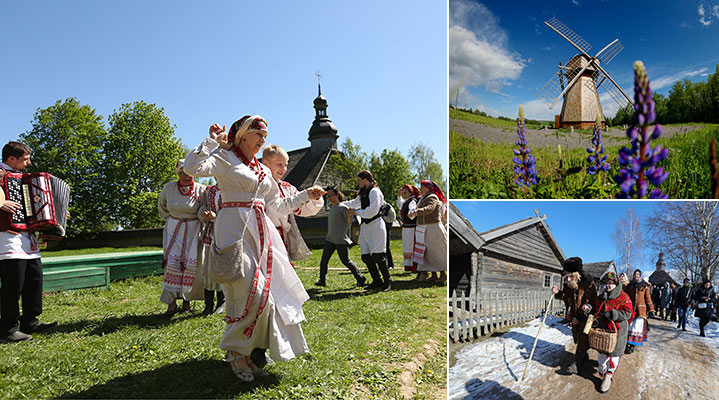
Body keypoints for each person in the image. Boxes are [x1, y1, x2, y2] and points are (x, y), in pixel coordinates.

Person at [184, 115, 324, 381]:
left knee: (266, 295)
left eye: (265, 136)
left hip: (262, 233)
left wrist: (306, 195)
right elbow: (192, 167)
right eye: (259, 134)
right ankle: (236, 352)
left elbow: (276, 208)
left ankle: (246, 352)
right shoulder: (225, 158)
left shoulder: (261, 171)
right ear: (243, 135)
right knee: (250, 290)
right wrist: (212, 141)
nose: (263, 140)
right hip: (233, 229)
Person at [0, 142, 57, 342]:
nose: (29, 163)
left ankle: (30, 321)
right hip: (6, 237)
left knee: (34, 278)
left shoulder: (26, 179)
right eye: (25, 159)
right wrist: (1, 202)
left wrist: (55, 213)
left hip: (27, 237)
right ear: (11, 159)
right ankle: (8, 329)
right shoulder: (0, 173)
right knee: (13, 284)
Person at [158, 159, 206, 316]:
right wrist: (174, 219)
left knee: (190, 263)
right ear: (178, 173)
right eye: (183, 173)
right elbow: (162, 207)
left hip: (193, 230)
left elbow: (203, 208)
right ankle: (171, 303)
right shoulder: (169, 188)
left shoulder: (201, 190)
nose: (186, 176)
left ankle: (187, 301)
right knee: (172, 262)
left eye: (190, 173)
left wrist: (200, 216)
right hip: (174, 229)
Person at [261, 144, 323, 260]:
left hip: (281, 240)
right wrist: (304, 195)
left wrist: (313, 197)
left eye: (285, 165)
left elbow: (304, 209)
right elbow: (275, 210)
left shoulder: (286, 188)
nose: (283, 169)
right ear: (265, 163)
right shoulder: (259, 185)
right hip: (263, 238)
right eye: (279, 164)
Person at [582, 272, 633, 393]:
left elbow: (628, 313)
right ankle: (602, 370)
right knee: (602, 354)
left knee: (613, 355)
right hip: (603, 331)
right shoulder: (601, 297)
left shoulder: (623, 297)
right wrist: (588, 308)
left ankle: (608, 376)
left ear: (616, 284)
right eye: (606, 283)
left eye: (611, 284)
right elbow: (594, 308)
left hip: (618, 331)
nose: (608, 286)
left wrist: (612, 314)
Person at [341, 170, 391, 291]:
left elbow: (372, 211)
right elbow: (354, 203)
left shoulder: (375, 192)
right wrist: (340, 205)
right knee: (366, 256)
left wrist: (356, 212)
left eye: (359, 181)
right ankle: (377, 280)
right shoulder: (363, 193)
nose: (358, 183)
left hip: (375, 225)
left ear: (365, 180)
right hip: (365, 227)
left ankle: (387, 282)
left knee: (378, 256)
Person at [551, 257, 598, 375]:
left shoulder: (588, 284)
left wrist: (581, 315)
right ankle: (583, 355)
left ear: (577, 275)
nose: (568, 278)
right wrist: (558, 293)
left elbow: (592, 302)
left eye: (570, 276)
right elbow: (565, 296)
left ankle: (576, 364)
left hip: (587, 317)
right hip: (575, 317)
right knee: (578, 337)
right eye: (566, 276)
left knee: (583, 338)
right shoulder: (569, 285)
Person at [315, 186, 365, 287]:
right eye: (327, 196)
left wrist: (350, 216)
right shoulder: (333, 207)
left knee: (346, 261)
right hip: (330, 239)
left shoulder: (343, 207)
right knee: (324, 260)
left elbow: (349, 222)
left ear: (337, 195)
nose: (328, 198)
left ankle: (360, 278)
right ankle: (322, 280)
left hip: (340, 240)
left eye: (330, 195)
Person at [410, 180, 447, 283]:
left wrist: (416, 212)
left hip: (433, 228)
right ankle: (434, 274)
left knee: (436, 251)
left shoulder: (432, 197)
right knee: (427, 252)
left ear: (429, 188)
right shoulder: (424, 198)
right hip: (425, 227)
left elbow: (430, 209)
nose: (421, 189)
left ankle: (443, 274)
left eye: (423, 187)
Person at [197, 184, 225, 316]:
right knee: (208, 270)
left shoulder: (231, 188)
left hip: (225, 234)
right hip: (211, 233)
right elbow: (203, 206)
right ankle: (208, 304)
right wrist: (204, 213)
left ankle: (222, 302)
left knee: (221, 269)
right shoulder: (210, 191)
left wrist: (216, 216)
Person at [623, 269, 654, 354]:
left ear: (640, 275)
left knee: (635, 328)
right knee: (629, 327)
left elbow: (648, 298)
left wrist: (651, 309)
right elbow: (625, 296)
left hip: (640, 310)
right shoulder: (630, 285)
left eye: (638, 274)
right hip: (630, 309)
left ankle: (632, 345)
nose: (636, 275)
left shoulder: (644, 285)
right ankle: (626, 344)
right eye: (635, 274)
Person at [397, 185, 420, 280]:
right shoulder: (407, 201)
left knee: (411, 246)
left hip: (411, 227)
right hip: (407, 228)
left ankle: (415, 267)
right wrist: (399, 196)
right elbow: (400, 205)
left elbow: (412, 208)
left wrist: (411, 213)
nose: (404, 194)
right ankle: (410, 266)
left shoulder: (412, 200)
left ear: (411, 193)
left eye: (405, 193)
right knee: (407, 246)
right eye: (403, 193)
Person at [381, 200, 396, 270]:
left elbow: (392, 218)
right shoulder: (375, 206)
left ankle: (390, 264)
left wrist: (383, 218)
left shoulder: (388, 207)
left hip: (386, 229)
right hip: (377, 229)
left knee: (386, 247)